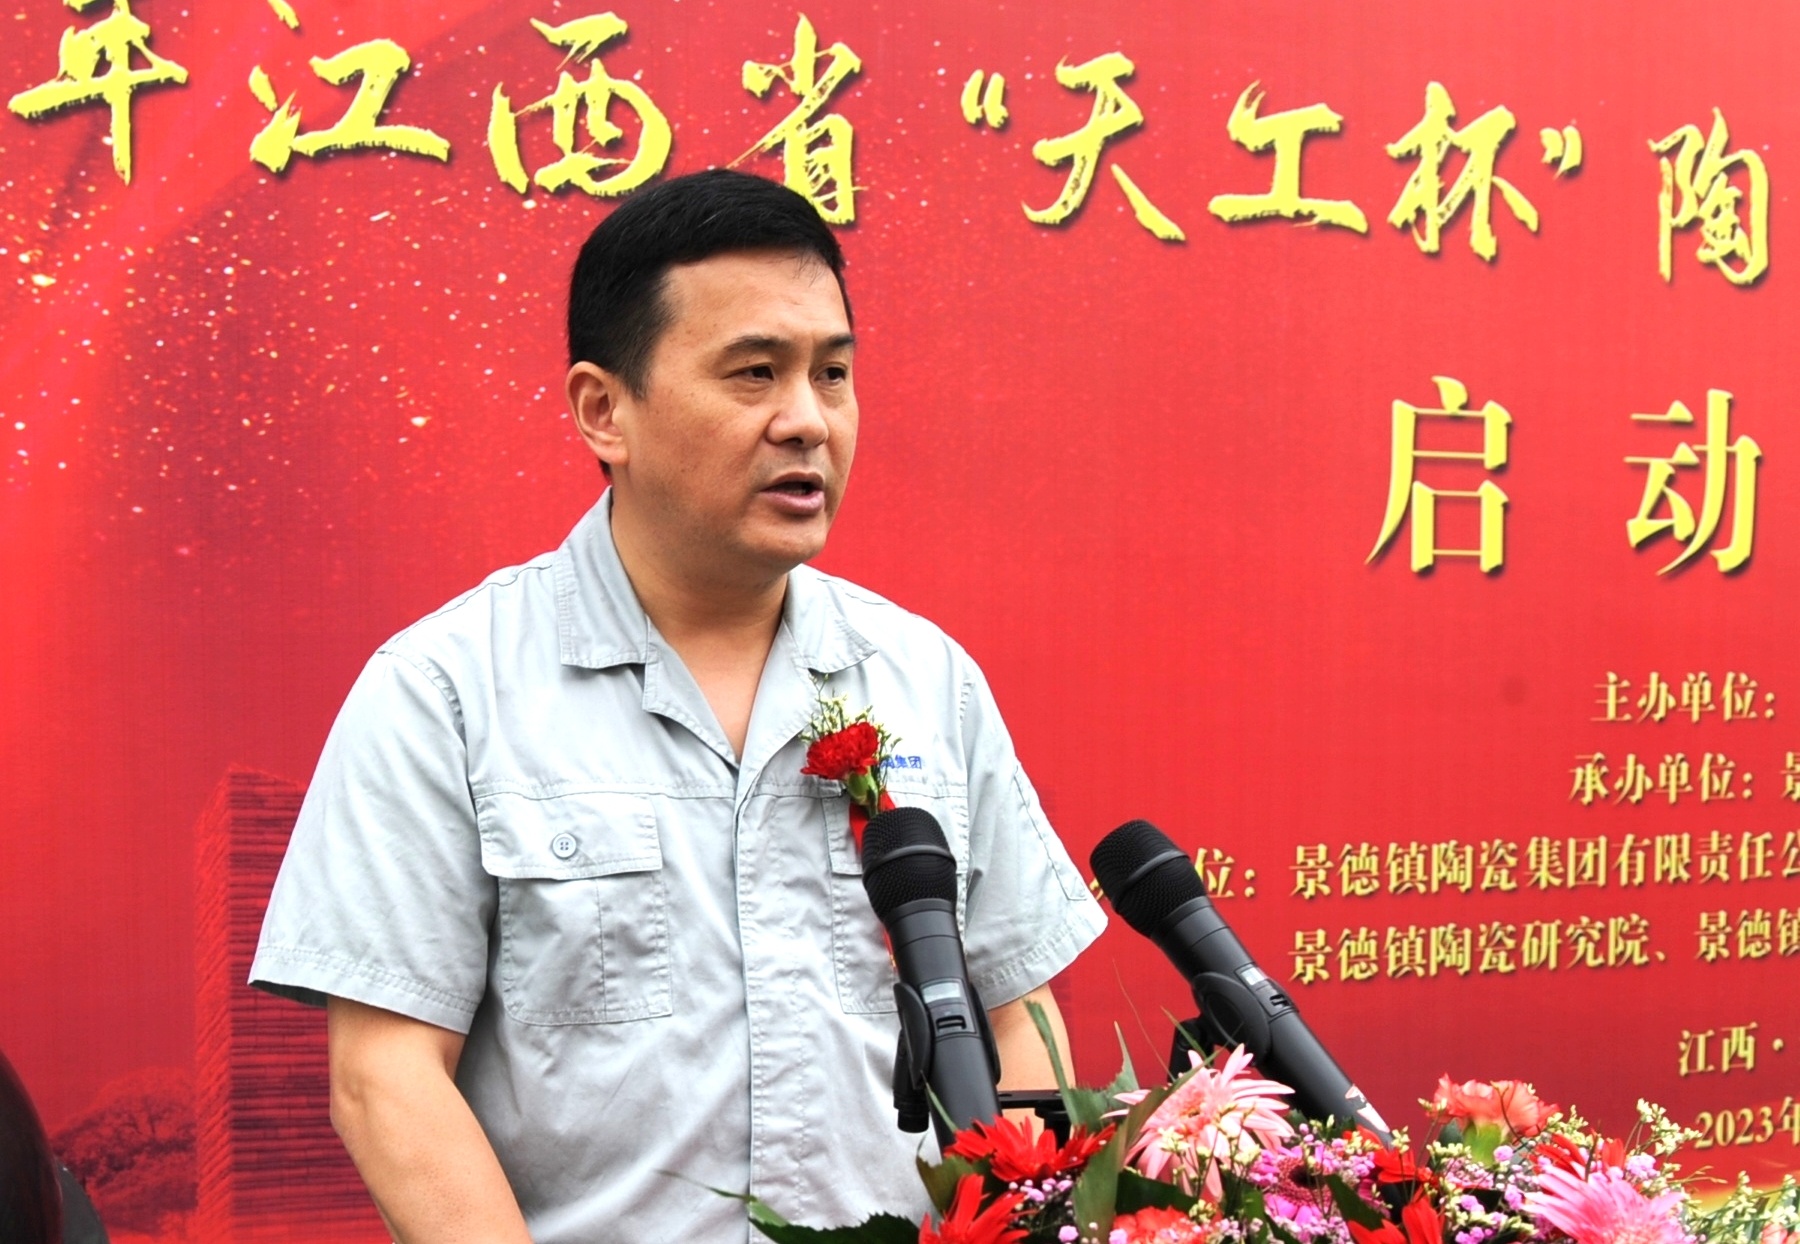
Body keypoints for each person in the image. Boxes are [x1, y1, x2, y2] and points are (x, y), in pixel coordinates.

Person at [251, 169, 1105, 1242]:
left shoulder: (926, 679)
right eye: (755, 374)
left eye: (832, 373)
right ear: (604, 410)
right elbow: (385, 1075)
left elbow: (1019, 1016)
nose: (808, 421)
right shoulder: (446, 690)